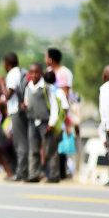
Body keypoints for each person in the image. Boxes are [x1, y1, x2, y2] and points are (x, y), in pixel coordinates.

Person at [24, 63, 60, 183]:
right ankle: (33, 173)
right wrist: (24, 106)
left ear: (41, 73)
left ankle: (53, 175)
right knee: (33, 149)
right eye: (32, 72)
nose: (34, 75)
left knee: (49, 149)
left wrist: (52, 122)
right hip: (32, 121)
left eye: (37, 72)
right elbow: (27, 101)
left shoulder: (46, 87)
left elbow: (54, 105)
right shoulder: (28, 87)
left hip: (45, 122)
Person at [45, 48, 75, 179]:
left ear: (51, 59)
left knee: (60, 143)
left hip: (61, 111)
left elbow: (65, 94)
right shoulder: (48, 72)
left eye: (46, 57)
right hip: (50, 111)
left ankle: (61, 172)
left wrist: (65, 118)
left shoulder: (64, 72)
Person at [0, 52, 28, 181]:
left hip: (16, 110)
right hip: (21, 111)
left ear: (7, 64)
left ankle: (21, 172)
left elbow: (8, 95)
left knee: (20, 143)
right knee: (21, 141)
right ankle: (23, 170)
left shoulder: (12, 74)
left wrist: (1, 82)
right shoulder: (21, 71)